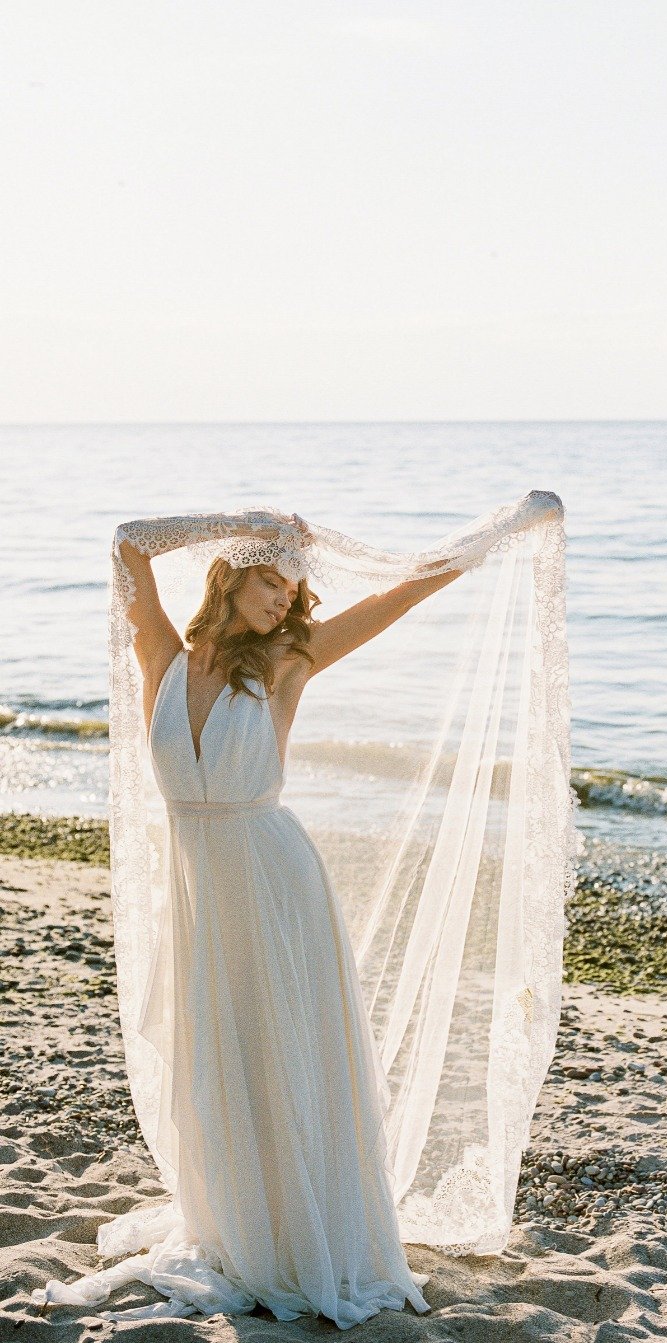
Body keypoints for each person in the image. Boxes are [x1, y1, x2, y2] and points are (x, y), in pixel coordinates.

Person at [31, 493, 575, 1326]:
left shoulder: (288, 660)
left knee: (285, 1056)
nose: (287, 595)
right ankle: (244, 1224)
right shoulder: (164, 658)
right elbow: (127, 543)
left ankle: (305, 1230)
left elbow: (395, 599)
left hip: (276, 883)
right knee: (222, 1058)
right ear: (236, 574)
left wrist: (498, 534)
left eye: (295, 584)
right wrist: (241, 520)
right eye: (276, 577)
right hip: (200, 891)